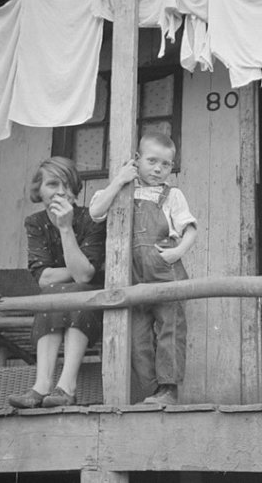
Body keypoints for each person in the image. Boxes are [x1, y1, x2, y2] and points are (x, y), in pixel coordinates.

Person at [89, 132, 197, 406]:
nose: (159, 169)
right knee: (137, 338)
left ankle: (168, 390)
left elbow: (190, 229)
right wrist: (119, 181)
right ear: (137, 160)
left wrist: (177, 252)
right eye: (152, 161)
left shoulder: (172, 194)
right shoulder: (123, 190)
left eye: (166, 164)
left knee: (169, 329)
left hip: (164, 270)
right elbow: (96, 212)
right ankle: (152, 392)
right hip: (131, 275)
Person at [8, 157, 106, 409]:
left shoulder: (91, 219)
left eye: (68, 185)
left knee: (72, 291)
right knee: (52, 293)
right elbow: (43, 278)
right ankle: (41, 387)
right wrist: (76, 270)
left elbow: (85, 277)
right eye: (52, 184)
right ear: (38, 190)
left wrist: (65, 228)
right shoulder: (35, 222)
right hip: (57, 299)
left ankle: (67, 386)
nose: (61, 192)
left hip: (93, 300)